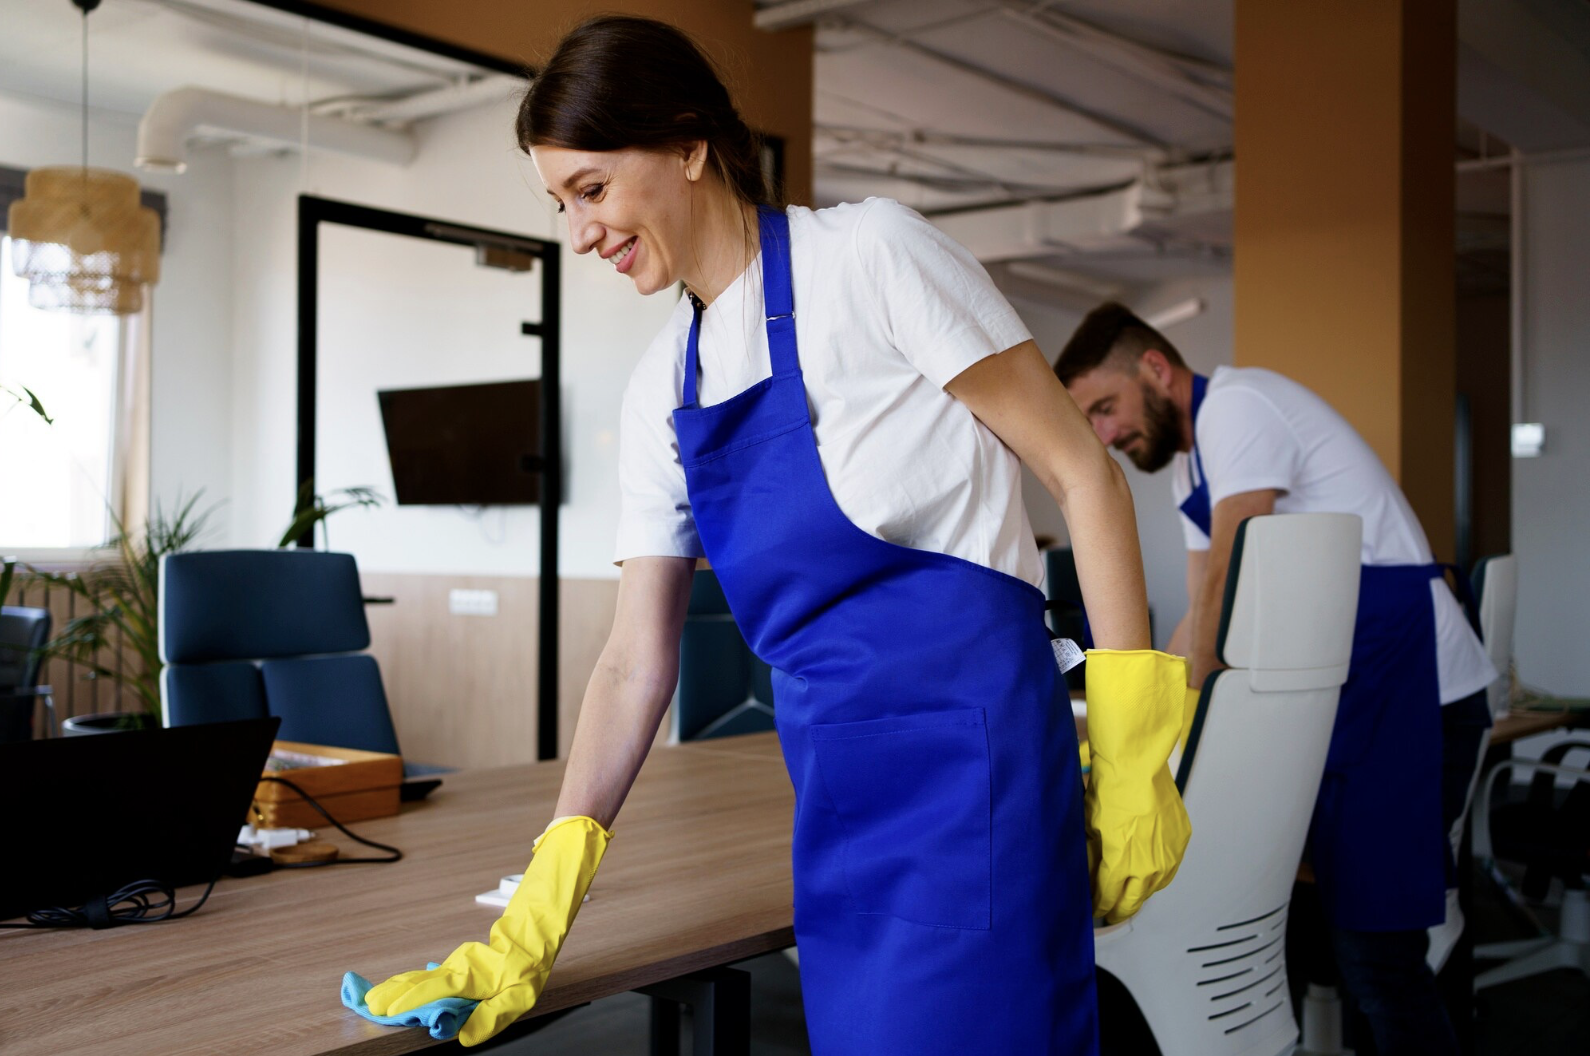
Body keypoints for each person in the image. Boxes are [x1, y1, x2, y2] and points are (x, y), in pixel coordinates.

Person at [354, 18, 1191, 1053]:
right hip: (834, 803)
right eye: (561, 204)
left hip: (977, 785)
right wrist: (538, 910)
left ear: (689, 143)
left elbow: (1085, 474)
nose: (581, 234)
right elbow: (631, 661)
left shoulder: (873, 258)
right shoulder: (668, 382)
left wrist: (1135, 755)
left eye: (593, 189)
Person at [1056, 304, 1496, 1056]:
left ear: (1155, 370)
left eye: (1105, 408)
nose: (1104, 436)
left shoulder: (1237, 407)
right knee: (1352, 939)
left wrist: (1186, 716)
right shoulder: (1191, 466)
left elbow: (1230, 569)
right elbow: (1198, 616)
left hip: (1413, 689)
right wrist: (1153, 720)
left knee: (1377, 951)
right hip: (1357, 698)